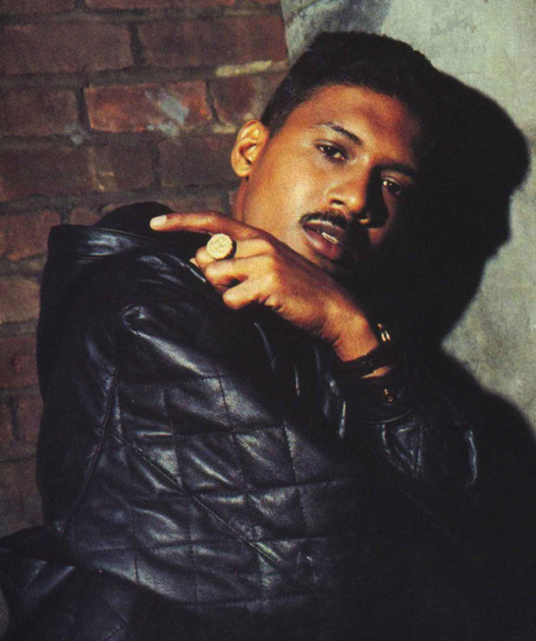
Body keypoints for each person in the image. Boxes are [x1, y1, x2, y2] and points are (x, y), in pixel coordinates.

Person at [0, 32, 487, 641]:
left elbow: (469, 522)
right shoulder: (146, 301)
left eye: (393, 184)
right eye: (333, 151)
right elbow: (330, 578)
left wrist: (351, 330)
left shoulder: (337, 327)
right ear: (250, 150)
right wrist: (347, 328)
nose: (357, 199)